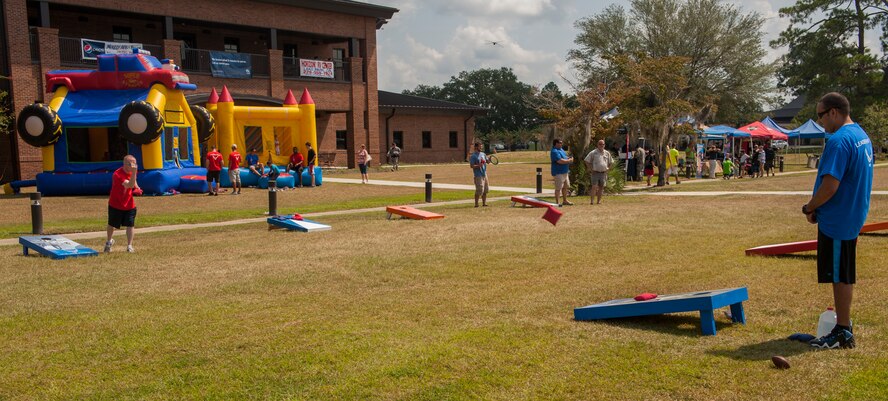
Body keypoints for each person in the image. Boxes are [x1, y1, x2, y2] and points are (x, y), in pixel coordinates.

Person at [803, 93, 873, 349]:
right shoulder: (860, 136)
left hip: (837, 219)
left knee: (840, 274)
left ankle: (843, 330)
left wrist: (810, 206)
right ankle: (843, 326)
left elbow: (830, 185)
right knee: (844, 271)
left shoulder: (839, 140)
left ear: (833, 112)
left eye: (821, 115)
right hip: (852, 214)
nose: (820, 122)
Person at [104, 155, 140, 253]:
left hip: (129, 204)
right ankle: (108, 241)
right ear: (125, 164)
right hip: (116, 204)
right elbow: (129, 185)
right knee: (112, 225)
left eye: (135, 163)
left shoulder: (131, 173)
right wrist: (134, 173)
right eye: (131, 164)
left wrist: (137, 188)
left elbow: (134, 183)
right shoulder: (117, 174)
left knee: (130, 224)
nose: (133, 166)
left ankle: (129, 245)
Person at [584, 139, 613, 205]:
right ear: (597, 145)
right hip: (595, 172)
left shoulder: (607, 153)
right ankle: (592, 201)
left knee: (601, 187)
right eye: (600, 144)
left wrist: (608, 168)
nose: (601, 145)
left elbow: (611, 162)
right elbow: (586, 160)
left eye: (603, 144)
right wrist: (591, 169)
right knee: (594, 187)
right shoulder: (593, 152)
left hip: (603, 173)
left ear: (604, 145)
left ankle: (598, 201)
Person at [550, 138, 574, 206]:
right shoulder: (554, 151)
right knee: (558, 188)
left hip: (565, 172)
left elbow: (565, 157)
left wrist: (569, 158)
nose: (561, 144)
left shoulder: (561, 150)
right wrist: (569, 161)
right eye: (560, 143)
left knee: (566, 186)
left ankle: (565, 200)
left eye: (561, 143)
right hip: (558, 172)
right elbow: (559, 161)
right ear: (556, 143)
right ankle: (557, 203)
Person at [468, 141, 489, 207]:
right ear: (476, 147)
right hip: (478, 175)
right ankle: (476, 204)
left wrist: (489, 160)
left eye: (481, 146)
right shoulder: (473, 156)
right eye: (480, 146)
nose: (481, 147)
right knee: (479, 190)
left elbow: (487, 161)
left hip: (484, 174)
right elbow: (471, 166)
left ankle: (484, 203)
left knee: (485, 189)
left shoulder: (483, 154)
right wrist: (478, 165)